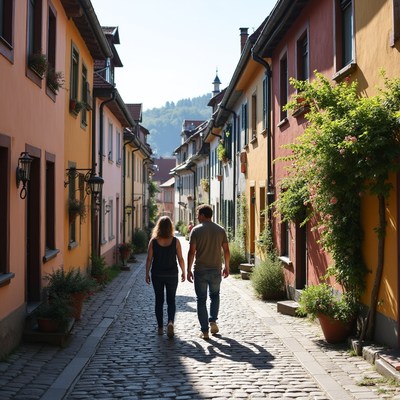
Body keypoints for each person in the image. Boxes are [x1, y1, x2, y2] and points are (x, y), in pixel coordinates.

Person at [187, 204, 230, 339]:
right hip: (216, 269)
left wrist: (188, 269)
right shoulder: (220, 230)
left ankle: (205, 331)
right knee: (215, 296)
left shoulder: (196, 231)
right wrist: (227, 266)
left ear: (203, 215)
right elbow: (226, 250)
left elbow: (192, 252)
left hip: (200, 270)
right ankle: (212, 320)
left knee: (201, 299)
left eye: (198, 215)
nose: (197, 217)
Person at [145, 216, 185, 338]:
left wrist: (147, 273)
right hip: (172, 274)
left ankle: (160, 328)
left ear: (158, 227)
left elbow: (149, 259)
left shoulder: (153, 241)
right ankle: (170, 322)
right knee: (171, 300)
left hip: (157, 274)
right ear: (170, 227)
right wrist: (184, 271)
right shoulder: (175, 241)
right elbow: (180, 258)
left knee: (159, 300)